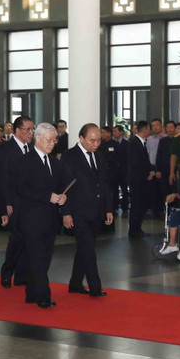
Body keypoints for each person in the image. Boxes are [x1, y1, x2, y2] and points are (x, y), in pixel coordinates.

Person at [14, 123, 70, 308]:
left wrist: (63, 196)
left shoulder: (55, 162)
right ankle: (43, 295)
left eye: (55, 140)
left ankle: (32, 292)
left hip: (50, 218)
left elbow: (62, 184)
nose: (52, 144)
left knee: (45, 256)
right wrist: (47, 196)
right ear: (37, 139)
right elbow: (21, 188)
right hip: (31, 217)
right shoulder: (25, 161)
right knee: (37, 256)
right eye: (49, 140)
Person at [59, 123, 113, 297]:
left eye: (98, 140)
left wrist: (108, 209)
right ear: (81, 138)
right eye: (92, 140)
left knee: (84, 248)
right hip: (77, 212)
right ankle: (95, 287)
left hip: (96, 211)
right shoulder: (69, 157)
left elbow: (104, 184)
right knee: (88, 249)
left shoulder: (99, 156)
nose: (96, 144)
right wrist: (66, 212)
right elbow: (64, 185)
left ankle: (75, 283)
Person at [0, 115, 34, 288]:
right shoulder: (5, 149)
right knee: (17, 238)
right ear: (17, 130)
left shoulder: (33, 148)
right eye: (27, 129)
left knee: (29, 239)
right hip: (14, 201)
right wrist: (6, 203)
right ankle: (7, 272)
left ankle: (22, 275)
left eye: (32, 129)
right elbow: (1, 179)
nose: (31, 133)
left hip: (31, 202)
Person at [127, 120, 154, 237]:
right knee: (137, 205)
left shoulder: (140, 142)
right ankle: (134, 229)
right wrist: (147, 172)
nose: (150, 130)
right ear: (145, 130)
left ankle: (137, 228)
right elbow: (136, 163)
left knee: (140, 205)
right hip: (137, 179)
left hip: (141, 179)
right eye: (149, 128)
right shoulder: (134, 143)